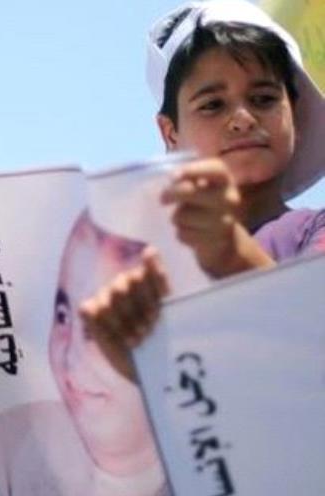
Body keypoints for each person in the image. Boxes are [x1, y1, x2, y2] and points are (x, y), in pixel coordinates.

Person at [79, 0, 325, 375]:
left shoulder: (314, 233)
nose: (242, 119)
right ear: (170, 131)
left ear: (296, 112)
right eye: (213, 105)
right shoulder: (136, 269)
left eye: (263, 99)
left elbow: (312, 340)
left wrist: (231, 254)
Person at [0, 212, 181, 496]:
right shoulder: (5, 447)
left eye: (108, 320)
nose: (71, 355)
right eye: (63, 314)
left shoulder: (215, 463)